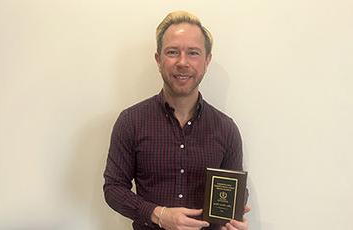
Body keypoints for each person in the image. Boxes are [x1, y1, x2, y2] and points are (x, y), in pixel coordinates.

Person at [103, 11, 250, 230]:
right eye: (172, 52)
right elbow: (114, 188)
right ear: (158, 59)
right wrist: (158, 214)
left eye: (193, 53)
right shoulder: (130, 121)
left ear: (207, 60)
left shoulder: (226, 129)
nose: (182, 62)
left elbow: (234, 188)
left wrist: (234, 213)